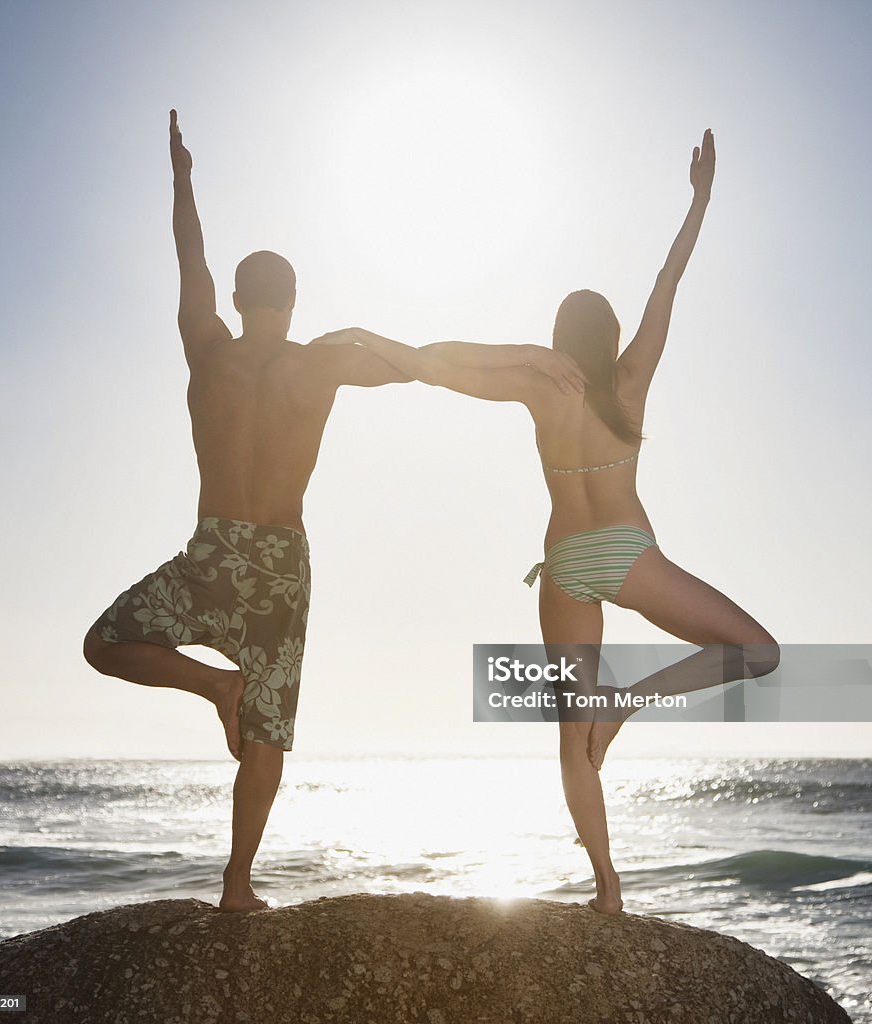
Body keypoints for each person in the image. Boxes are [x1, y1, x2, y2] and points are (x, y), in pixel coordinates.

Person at [82, 112, 578, 913]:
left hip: (210, 555)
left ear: (241, 299)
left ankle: (212, 688)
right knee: (269, 728)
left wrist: (182, 179)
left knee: (104, 643)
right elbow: (427, 365)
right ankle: (237, 884)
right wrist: (520, 355)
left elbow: (190, 261)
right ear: (295, 299)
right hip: (278, 563)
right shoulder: (321, 367)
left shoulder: (206, 346)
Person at [321, 130, 779, 914]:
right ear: (608, 339)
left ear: (561, 339)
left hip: (566, 560)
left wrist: (373, 336)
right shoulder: (631, 380)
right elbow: (668, 280)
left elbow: (440, 363)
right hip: (630, 556)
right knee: (757, 652)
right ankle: (631, 702)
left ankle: (608, 889)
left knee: (571, 730)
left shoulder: (540, 387)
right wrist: (699, 198)